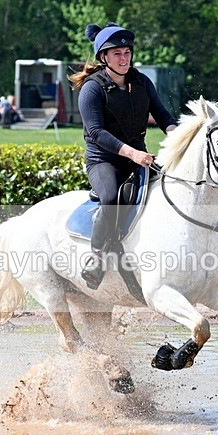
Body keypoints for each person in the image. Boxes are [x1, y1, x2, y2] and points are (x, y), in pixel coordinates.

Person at [68, 22, 177, 289]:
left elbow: (163, 117)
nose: (124, 58)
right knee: (110, 197)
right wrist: (133, 153)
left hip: (139, 158)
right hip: (104, 161)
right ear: (104, 57)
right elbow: (96, 132)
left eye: (127, 52)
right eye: (117, 53)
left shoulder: (142, 82)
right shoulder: (92, 89)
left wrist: (181, 139)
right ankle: (96, 257)